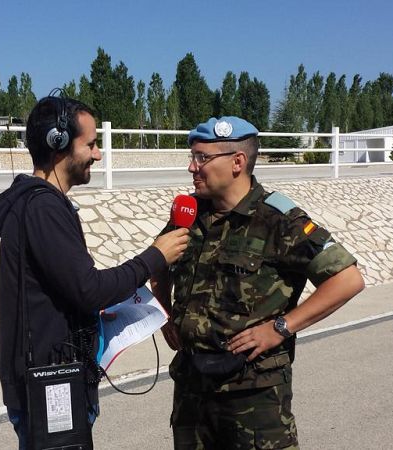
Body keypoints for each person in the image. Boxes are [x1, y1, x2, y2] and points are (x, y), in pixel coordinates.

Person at [0, 93, 189, 449]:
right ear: (58, 144)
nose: (98, 154)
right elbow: (87, 289)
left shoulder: (39, 204)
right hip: (51, 383)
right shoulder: (43, 208)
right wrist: (154, 258)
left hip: (51, 377)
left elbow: (70, 290)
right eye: (91, 144)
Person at [151, 116, 365, 449]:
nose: (192, 167)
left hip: (253, 398)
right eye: (192, 157)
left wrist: (280, 327)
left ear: (237, 162)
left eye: (202, 158)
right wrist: (164, 313)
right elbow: (157, 262)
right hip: (192, 391)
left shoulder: (279, 220)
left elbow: (347, 278)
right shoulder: (190, 214)